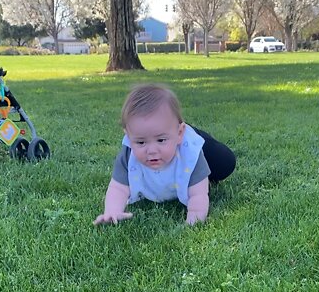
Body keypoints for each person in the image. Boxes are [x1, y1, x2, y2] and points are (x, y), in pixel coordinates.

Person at [94, 84, 236, 226]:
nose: (151, 150)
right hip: (171, 134)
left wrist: (194, 220)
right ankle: (165, 131)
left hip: (188, 143)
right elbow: (118, 187)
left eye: (160, 140)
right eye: (141, 142)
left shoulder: (190, 154)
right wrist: (112, 210)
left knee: (224, 163)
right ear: (129, 137)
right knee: (160, 133)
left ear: (180, 133)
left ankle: (182, 131)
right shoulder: (128, 153)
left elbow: (198, 195)